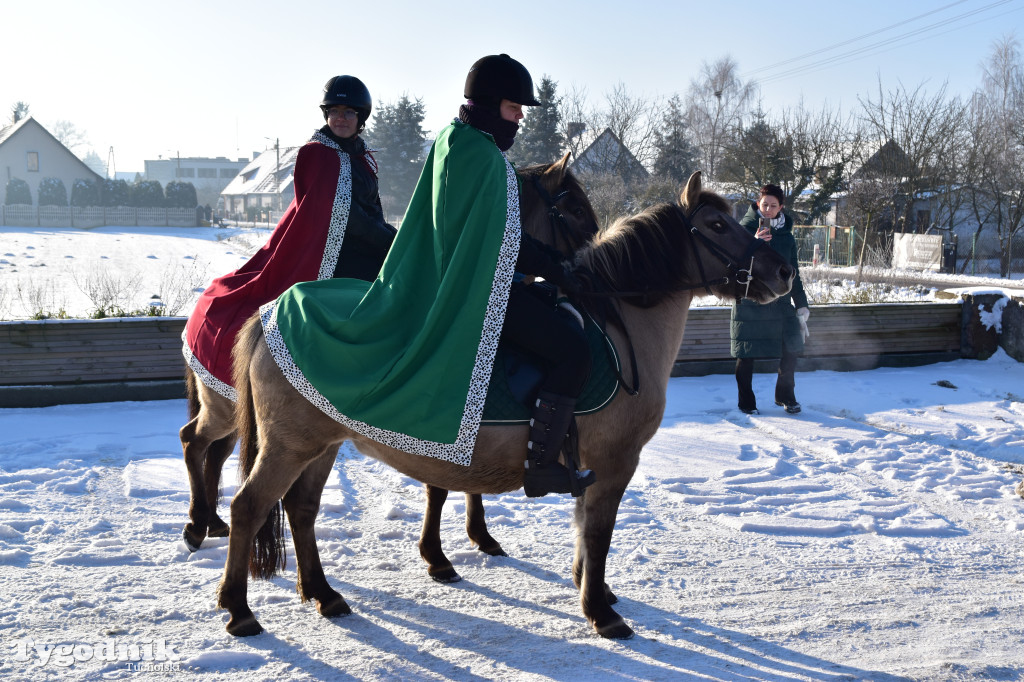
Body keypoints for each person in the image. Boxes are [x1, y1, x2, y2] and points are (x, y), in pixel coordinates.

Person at [262, 54, 594, 497]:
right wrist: (561, 268)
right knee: (572, 350)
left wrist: (553, 264)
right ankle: (542, 465)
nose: (518, 119)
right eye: (515, 108)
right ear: (493, 103)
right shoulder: (485, 158)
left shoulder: (452, 140)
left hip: (454, 277)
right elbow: (504, 242)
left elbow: (492, 233)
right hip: (473, 289)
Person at [183, 75, 396, 400]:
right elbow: (345, 216)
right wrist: (391, 241)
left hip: (364, 246)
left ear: (360, 119)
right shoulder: (318, 154)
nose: (341, 118)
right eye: (335, 111)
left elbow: (372, 211)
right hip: (333, 252)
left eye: (349, 112)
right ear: (326, 115)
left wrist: (395, 240)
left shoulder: (362, 158)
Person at [730, 183, 810, 415]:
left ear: (781, 208)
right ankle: (746, 403)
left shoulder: (787, 237)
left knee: (792, 348)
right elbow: (733, 264)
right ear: (758, 203)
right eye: (764, 204)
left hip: (780, 303)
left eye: (773, 206)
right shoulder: (742, 230)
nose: (767, 209)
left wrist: (802, 304)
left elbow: (793, 272)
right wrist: (753, 242)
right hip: (749, 302)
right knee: (745, 354)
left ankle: (785, 395)